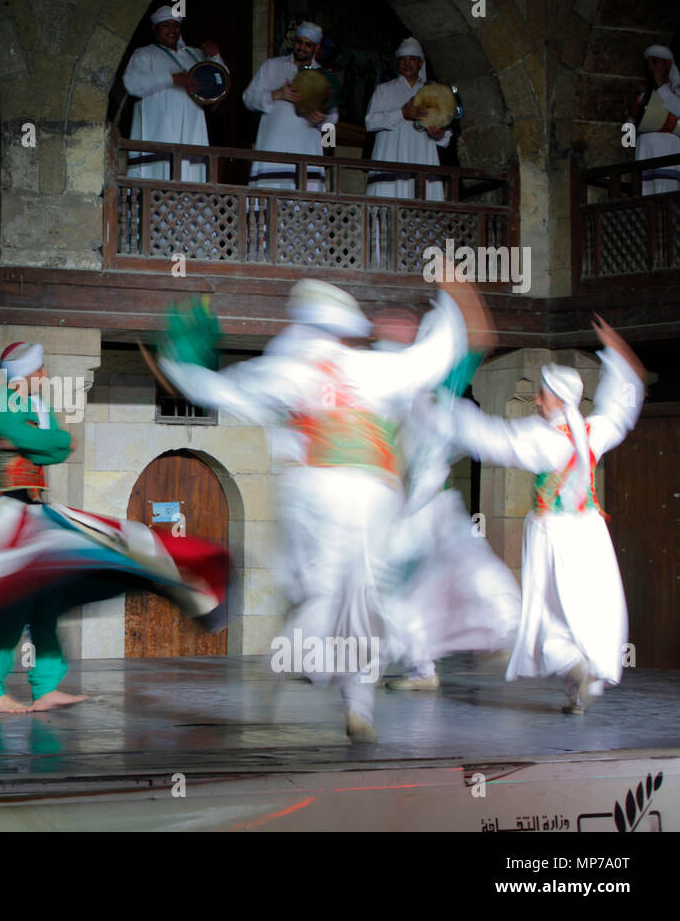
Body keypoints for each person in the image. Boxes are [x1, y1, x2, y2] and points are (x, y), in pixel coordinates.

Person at [158, 274, 491, 741]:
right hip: (369, 493)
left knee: (320, 591)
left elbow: (223, 391)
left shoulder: (289, 367)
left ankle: (286, 663)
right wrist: (456, 303)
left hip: (312, 491)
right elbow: (430, 360)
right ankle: (356, 705)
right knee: (363, 599)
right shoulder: (369, 367)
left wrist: (184, 365)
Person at [0, 342, 231, 714]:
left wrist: (41, 440)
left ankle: (45, 686)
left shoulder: (36, 408)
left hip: (37, 511)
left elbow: (56, 449)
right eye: (40, 371)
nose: (45, 377)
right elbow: (43, 442)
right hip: (6, 510)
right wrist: (43, 440)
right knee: (14, 604)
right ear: (25, 374)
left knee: (46, 602)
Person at [439, 315, 646, 714]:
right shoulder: (593, 430)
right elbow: (619, 409)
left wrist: (444, 411)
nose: (536, 400)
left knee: (545, 608)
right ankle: (580, 680)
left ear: (556, 399)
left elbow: (493, 439)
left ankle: (572, 664)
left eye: (542, 395)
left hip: (554, 533)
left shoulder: (542, 438)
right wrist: (619, 360)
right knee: (587, 605)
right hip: (590, 533)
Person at [369, 310, 520, 691]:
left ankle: (504, 630)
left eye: (398, 324)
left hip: (434, 504)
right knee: (393, 589)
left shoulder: (437, 383)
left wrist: (459, 290)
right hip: (397, 509)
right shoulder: (380, 378)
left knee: (468, 563)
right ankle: (422, 669)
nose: (387, 327)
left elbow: (481, 339)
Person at [122, 6, 227, 182]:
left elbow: (220, 84)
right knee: (159, 172)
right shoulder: (145, 54)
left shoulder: (194, 55)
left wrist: (216, 56)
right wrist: (172, 79)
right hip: (159, 129)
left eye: (176, 25)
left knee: (191, 173)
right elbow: (132, 84)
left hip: (192, 128)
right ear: (154, 28)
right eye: (166, 25)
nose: (172, 29)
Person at [242, 21, 336, 190]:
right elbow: (248, 98)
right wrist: (276, 94)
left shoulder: (324, 76)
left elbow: (333, 118)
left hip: (306, 147)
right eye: (299, 42)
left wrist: (322, 118)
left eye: (308, 44)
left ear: (317, 47)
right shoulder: (272, 66)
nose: (302, 47)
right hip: (273, 146)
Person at [365, 37, 452, 201]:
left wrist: (439, 134)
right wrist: (402, 114)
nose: (407, 63)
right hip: (391, 158)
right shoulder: (383, 90)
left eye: (412, 58)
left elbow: (445, 133)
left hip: (422, 157)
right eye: (403, 59)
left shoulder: (433, 93)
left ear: (421, 63)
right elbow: (370, 122)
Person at [632, 44, 680, 195]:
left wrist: (661, 86)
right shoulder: (644, 96)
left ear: (668, 63)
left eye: (655, 62)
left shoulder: (677, 92)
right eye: (648, 64)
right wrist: (632, 118)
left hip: (669, 152)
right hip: (645, 153)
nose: (651, 68)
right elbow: (627, 138)